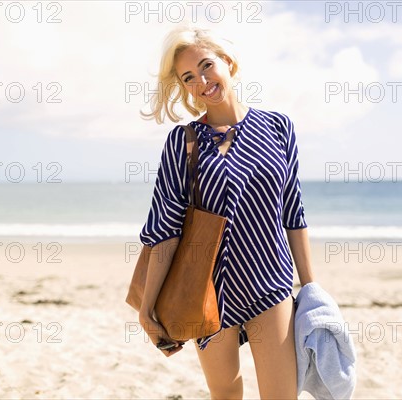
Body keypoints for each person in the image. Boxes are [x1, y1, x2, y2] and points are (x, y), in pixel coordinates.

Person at [137, 24, 315, 400]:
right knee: (226, 394)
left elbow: (293, 214)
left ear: (227, 62)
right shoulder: (183, 141)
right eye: (188, 77)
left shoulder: (278, 128)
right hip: (209, 289)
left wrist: (311, 288)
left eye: (206, 66)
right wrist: (147, 306)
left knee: (282, 395)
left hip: (270, 283)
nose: (201, 81)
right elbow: (164, 229)